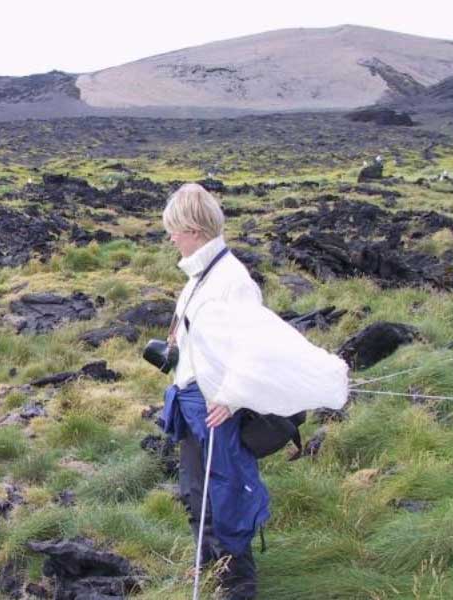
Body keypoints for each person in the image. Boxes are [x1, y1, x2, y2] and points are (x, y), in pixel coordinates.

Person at [159, 183, 268, 599]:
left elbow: (254, 347)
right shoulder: (199, 276)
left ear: (194, 229)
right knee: (194, 492)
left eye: (174, 230)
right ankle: (209, 566)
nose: (171, 238)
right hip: (190, 404)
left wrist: (231, 396)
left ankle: (237, 585)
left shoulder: (232, 280)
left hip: (216, 407)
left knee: (226, 495)